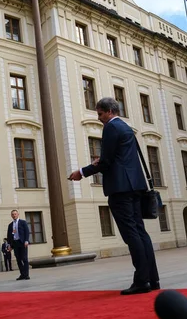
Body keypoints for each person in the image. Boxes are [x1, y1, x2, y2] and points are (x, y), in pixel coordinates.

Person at [68, 97, 159, 295]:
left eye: (100, 113)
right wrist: (102, 161)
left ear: (109, 111)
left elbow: (107, 162)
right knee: (141, 232)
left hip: (120, 189)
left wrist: (82, 172)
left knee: (131, 235)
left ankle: (141, 280)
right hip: (135, 186)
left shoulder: (110, 128)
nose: (99, 118)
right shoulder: (126, 128)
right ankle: (152, 278)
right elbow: (121, 157)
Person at [7, 209, 30, 280]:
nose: (14, 215)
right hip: (15, 243)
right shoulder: (10, 225)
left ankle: (26, 274)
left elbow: (27, 231)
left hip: (22, 242)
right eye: (13, 214)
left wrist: (26, 240)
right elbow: (9, 236)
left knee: (24, 259)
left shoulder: (23, 222)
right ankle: (22, 274)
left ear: (18, 214)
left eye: (15, 214)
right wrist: (10, 245)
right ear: (11, 216)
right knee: (18, 259)